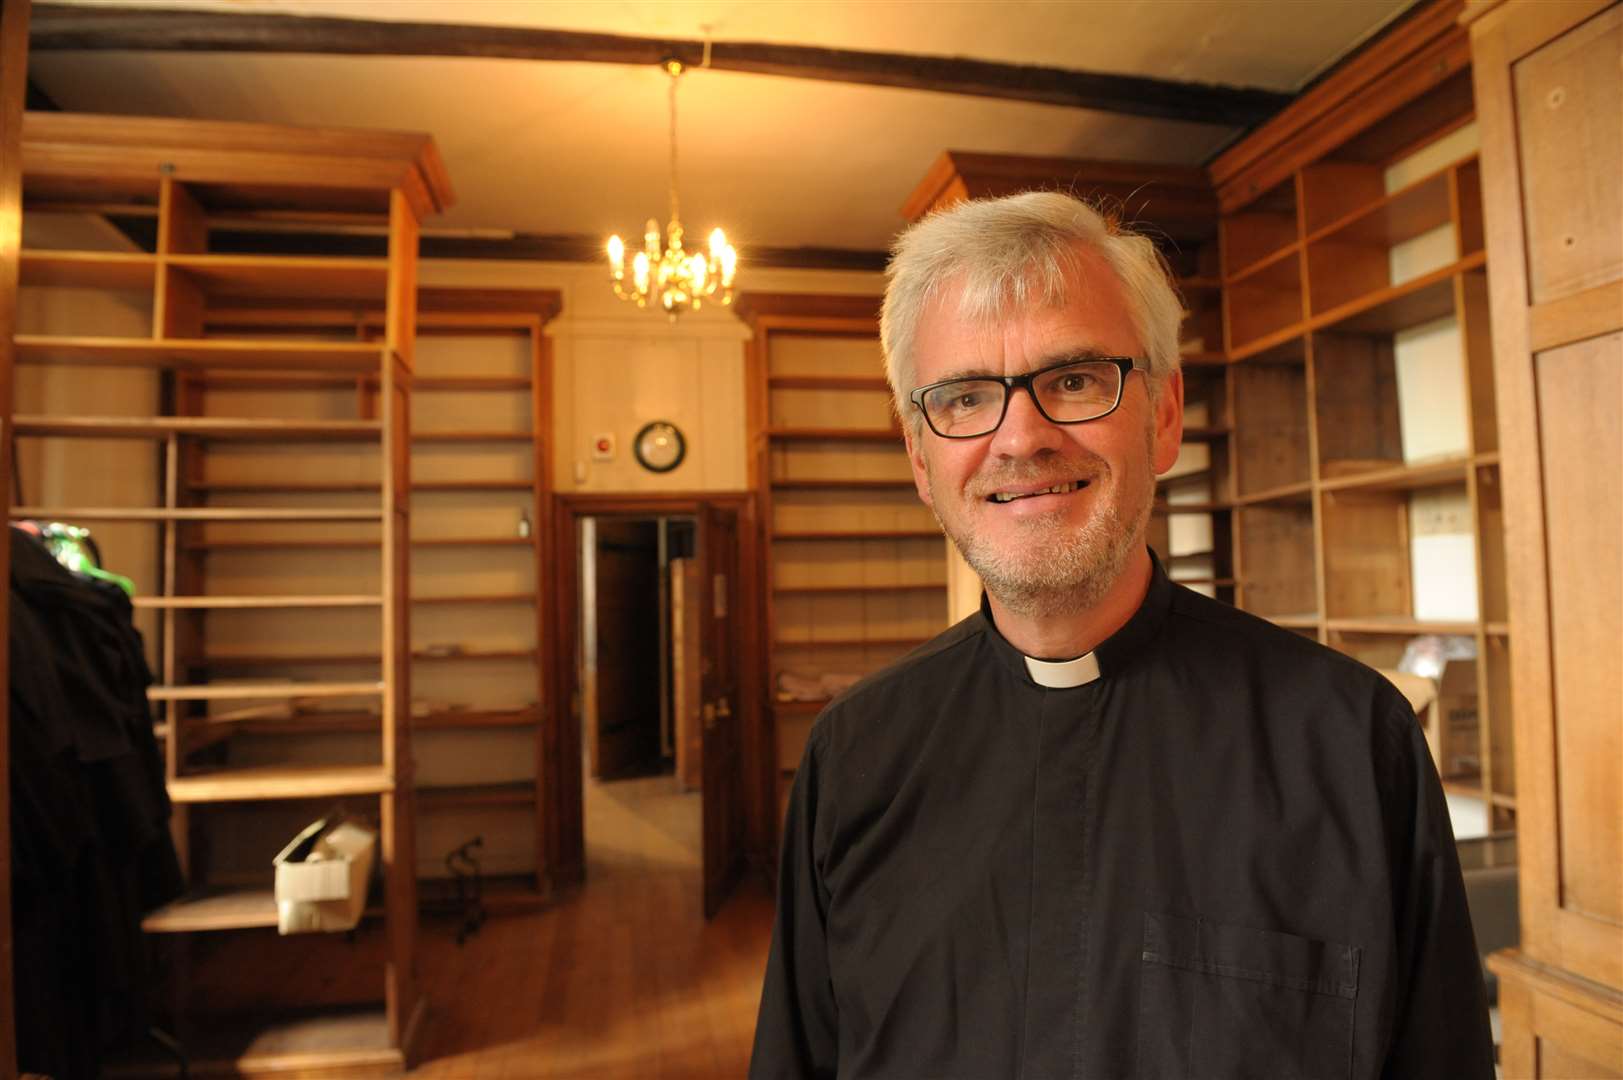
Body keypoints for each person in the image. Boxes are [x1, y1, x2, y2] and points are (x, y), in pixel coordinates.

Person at [749, 191, 1495, 1079]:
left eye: (1072, 380)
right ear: (920, 456)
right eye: (963, 397)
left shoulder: (1351, 739)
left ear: (1164, 414)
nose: (1019, 438)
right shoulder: (855, 753)